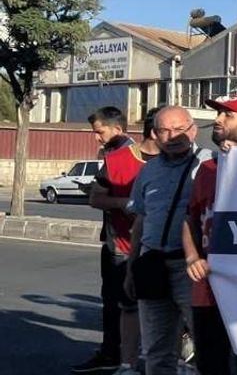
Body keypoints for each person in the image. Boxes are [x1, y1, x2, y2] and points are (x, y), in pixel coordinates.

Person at [182, 92, 237, 375]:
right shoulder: (206, 169)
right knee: (210, 362)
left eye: (228, 114)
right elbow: (190, 218)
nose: (218, 120)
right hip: (208, 287)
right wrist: (192, 256)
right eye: (218, 113)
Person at [123, 105, 212, 375]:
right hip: (151, 264)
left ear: (193, 130)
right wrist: (131, 267)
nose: (172, 136)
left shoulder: (209, 165)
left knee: (208, 345)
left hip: (193, 270)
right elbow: (140, 219)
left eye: (179, 129)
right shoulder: (148, 172)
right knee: (156, 350)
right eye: (164, 130)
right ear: (154, 134)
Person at [76, 107, 160, 375]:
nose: (97, 138)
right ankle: (119, 357)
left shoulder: (181, 162)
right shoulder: (116, 159)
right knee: (120, 305)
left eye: (99, 132)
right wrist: (124, 202)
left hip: (163, 248)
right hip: (120, 247)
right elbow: (96, 198)